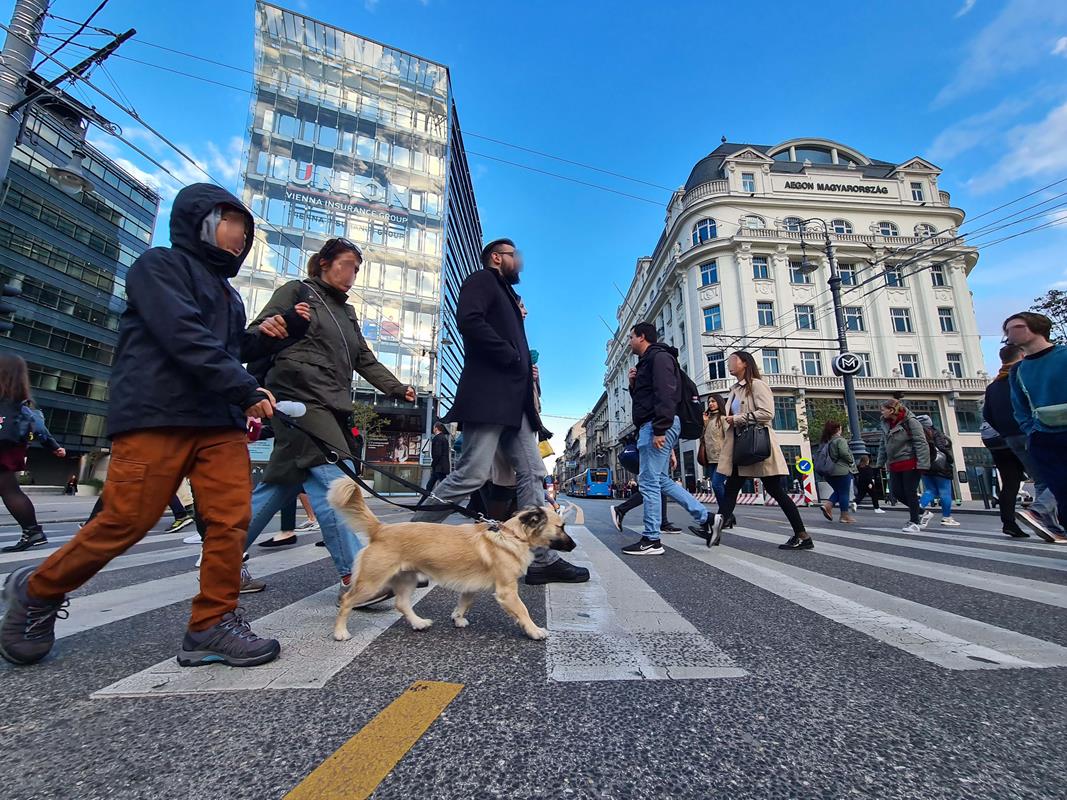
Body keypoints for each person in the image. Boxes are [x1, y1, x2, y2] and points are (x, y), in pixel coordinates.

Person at [0, 183, 305, 667]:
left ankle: (212, 622)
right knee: (127, 520)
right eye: (234, 223)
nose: (242, 236)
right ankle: (37, 589)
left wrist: (268, 339)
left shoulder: (229, 295)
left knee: (229, 520)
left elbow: (224, 351)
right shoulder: (157, 267)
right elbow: (182, 335)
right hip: (157, 414)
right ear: (202, 220)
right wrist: (244, 388)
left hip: (217, 421)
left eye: (246, 231)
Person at [241, 237, 416, 599]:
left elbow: (364, 359)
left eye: (357, 268)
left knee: (280, 485)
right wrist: (276, 324)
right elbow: (258, 332)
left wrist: (397, 388)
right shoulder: (297, 291)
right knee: (335, 482)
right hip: (300, 397)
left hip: (330, 401)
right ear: (324, 262)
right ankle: (356, 578)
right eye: (348, 265)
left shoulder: (346, 313)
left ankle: (220, 559)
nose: (352, 275)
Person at [410, 238, 588, 584]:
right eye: (513, 255)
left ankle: (541, 560)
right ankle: (409, 544)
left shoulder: (508, 295)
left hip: (515, 402)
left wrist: (521, 358)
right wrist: (511, 355)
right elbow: (470, 321)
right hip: (490, 395)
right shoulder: (481, 280)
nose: (518, 261)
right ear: (496, 258)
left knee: (534, 473)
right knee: (471, 475)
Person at [620, 322, 717, 555]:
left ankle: (652, 539)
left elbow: (666, 393)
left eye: (631, 337)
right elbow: (647, 398)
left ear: (642, 337)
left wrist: (661, 428)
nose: (629, 342)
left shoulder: (659, 357)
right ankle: (707, 518)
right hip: (652, 423)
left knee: (649, 482)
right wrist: (633, 385)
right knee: (659, 480)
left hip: (656, 424)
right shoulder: (647, 361)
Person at [715, 351, 811, 549]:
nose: (730, 364)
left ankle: (802, 536)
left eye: (734, 360)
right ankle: (713, 531)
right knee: (732, 488)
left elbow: (767, 413)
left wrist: (738, 419)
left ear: (745, 363)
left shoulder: (757, 385)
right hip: (742, 446)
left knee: (776, 490)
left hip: (758, 445)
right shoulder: (734, 389)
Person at [1004, 311, 1067, 545]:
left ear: (1036, 327)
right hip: (1045, 436)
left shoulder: (1063, 355)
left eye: (1015, 327)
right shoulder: (1018, 370)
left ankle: (1040, 512)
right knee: (1061, 492)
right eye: (1007, 329)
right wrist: (1032, 431)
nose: (1010, 333)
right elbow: (1019, 407)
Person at [0, 354, 67, 552]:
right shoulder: (19, 403)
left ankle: (33, 531)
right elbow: (38, 426)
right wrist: (54, 446)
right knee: (8, 489)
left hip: (3, 449)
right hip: (9, 447)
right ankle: (33, 532)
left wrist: (54, 446)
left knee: (9, 490)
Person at [983, 344, 1037, 539]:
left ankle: (1009, 522)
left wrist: (1004, 430)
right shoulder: (1022, 377)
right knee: (1044, 478)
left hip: (1002, 440)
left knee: (1010, 483)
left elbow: (986, 414)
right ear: (1022, 355)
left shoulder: (994, 385)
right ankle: (1040, 513)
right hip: (1024, 434)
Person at [875, 399, 929, 533]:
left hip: (909, 461)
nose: (881, 412)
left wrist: (922, 464)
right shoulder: (886, 423)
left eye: (883, 409)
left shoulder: (911, 421)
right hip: (894, 463)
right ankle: (922, 513)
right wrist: (879, 463)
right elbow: (883, 444)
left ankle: (914, 522)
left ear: (892, 410)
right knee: (897, 492)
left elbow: (921, 442)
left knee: (909, 491)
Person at [609, 449, 678, 533]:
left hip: (653, 454)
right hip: (650, 454)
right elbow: (661, 436)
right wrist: (672, 454)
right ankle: (620, 509)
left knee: (659, 486)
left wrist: (671, 454)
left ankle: (663, 523)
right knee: (652, 488)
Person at [914, 415, 959, 528]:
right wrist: (949, 457)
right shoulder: (934, 432)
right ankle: (946, 517)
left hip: (925, 464)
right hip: (940, 465)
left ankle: (919, 510)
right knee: (944, 491)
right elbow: (941, 447)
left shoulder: (916, 434)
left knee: (930, 490)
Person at [699, 394, 731, 525]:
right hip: (710, 459)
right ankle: (728, 515)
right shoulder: (708, 420)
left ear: (719, 402)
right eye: (709, 402)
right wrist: (704, 423)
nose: (711, 404)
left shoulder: (723, 419)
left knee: (717, 485)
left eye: (713, 401)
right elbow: (702, 439)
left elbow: (729, 438)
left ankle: (725, 514)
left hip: (722, 458)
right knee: (716, 485)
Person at [817, 420, 856, 524]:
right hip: (841, 470)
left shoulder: (825, 442)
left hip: (828, 472)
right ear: (838, 429)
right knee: (844, 493)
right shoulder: (840, 440)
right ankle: (844, 516)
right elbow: (843, 452)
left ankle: (828, 505)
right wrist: (851, 460)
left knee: (838, 491)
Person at [426, 422, 452, 494]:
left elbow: (437, 454)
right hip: (441, 466)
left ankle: (449, 498)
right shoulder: (444, 438)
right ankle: (423, 502)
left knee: (443, 485)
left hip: (439, 467)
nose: (433, 429)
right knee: (429, 485)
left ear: (436, 428)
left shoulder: (437, 439)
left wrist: (433, 463)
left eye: (434, 428)